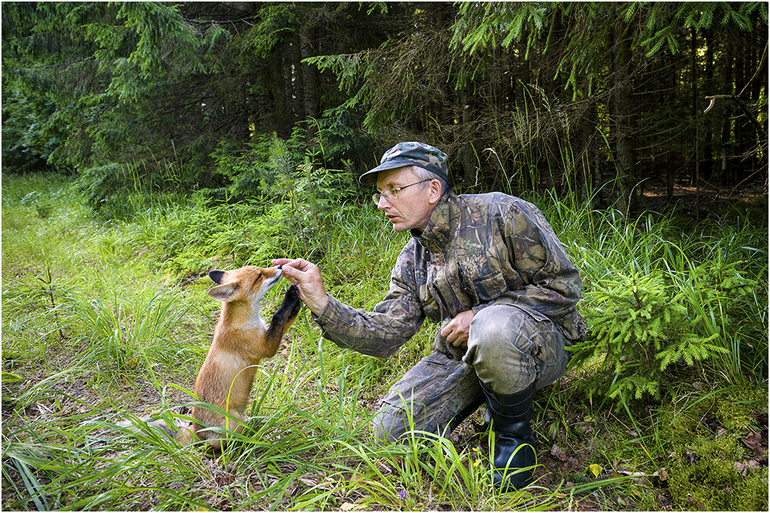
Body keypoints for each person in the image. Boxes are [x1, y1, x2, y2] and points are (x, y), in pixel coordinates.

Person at [272, 142, 586, 491]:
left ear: (433, 189)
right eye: (379, 194)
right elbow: (386, 333)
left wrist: (478, 316)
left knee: (493, 327)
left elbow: (564, 288)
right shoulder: (412, 258)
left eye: (394, 190)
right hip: (463, 356)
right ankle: (490, 389)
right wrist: (322, 302)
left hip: (543, 345)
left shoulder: (503, 213)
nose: (382, 203)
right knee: (389, 431)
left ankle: (513, 440)